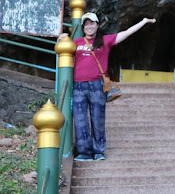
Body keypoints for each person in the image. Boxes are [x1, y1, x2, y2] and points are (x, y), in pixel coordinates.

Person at [58, 12, 156, 161]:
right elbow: (61, 50)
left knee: (98, 118)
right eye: (86, 24)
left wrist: (143, 21)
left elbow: (126, 33)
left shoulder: (104, 40)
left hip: (97, 84)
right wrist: (61, 39)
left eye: (92, 23)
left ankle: (98, 151)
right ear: (83, 27)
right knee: (79, 119)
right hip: (79, 85)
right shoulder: (76, 42)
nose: (89, 26)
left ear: (97, 25)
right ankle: (84, 152)